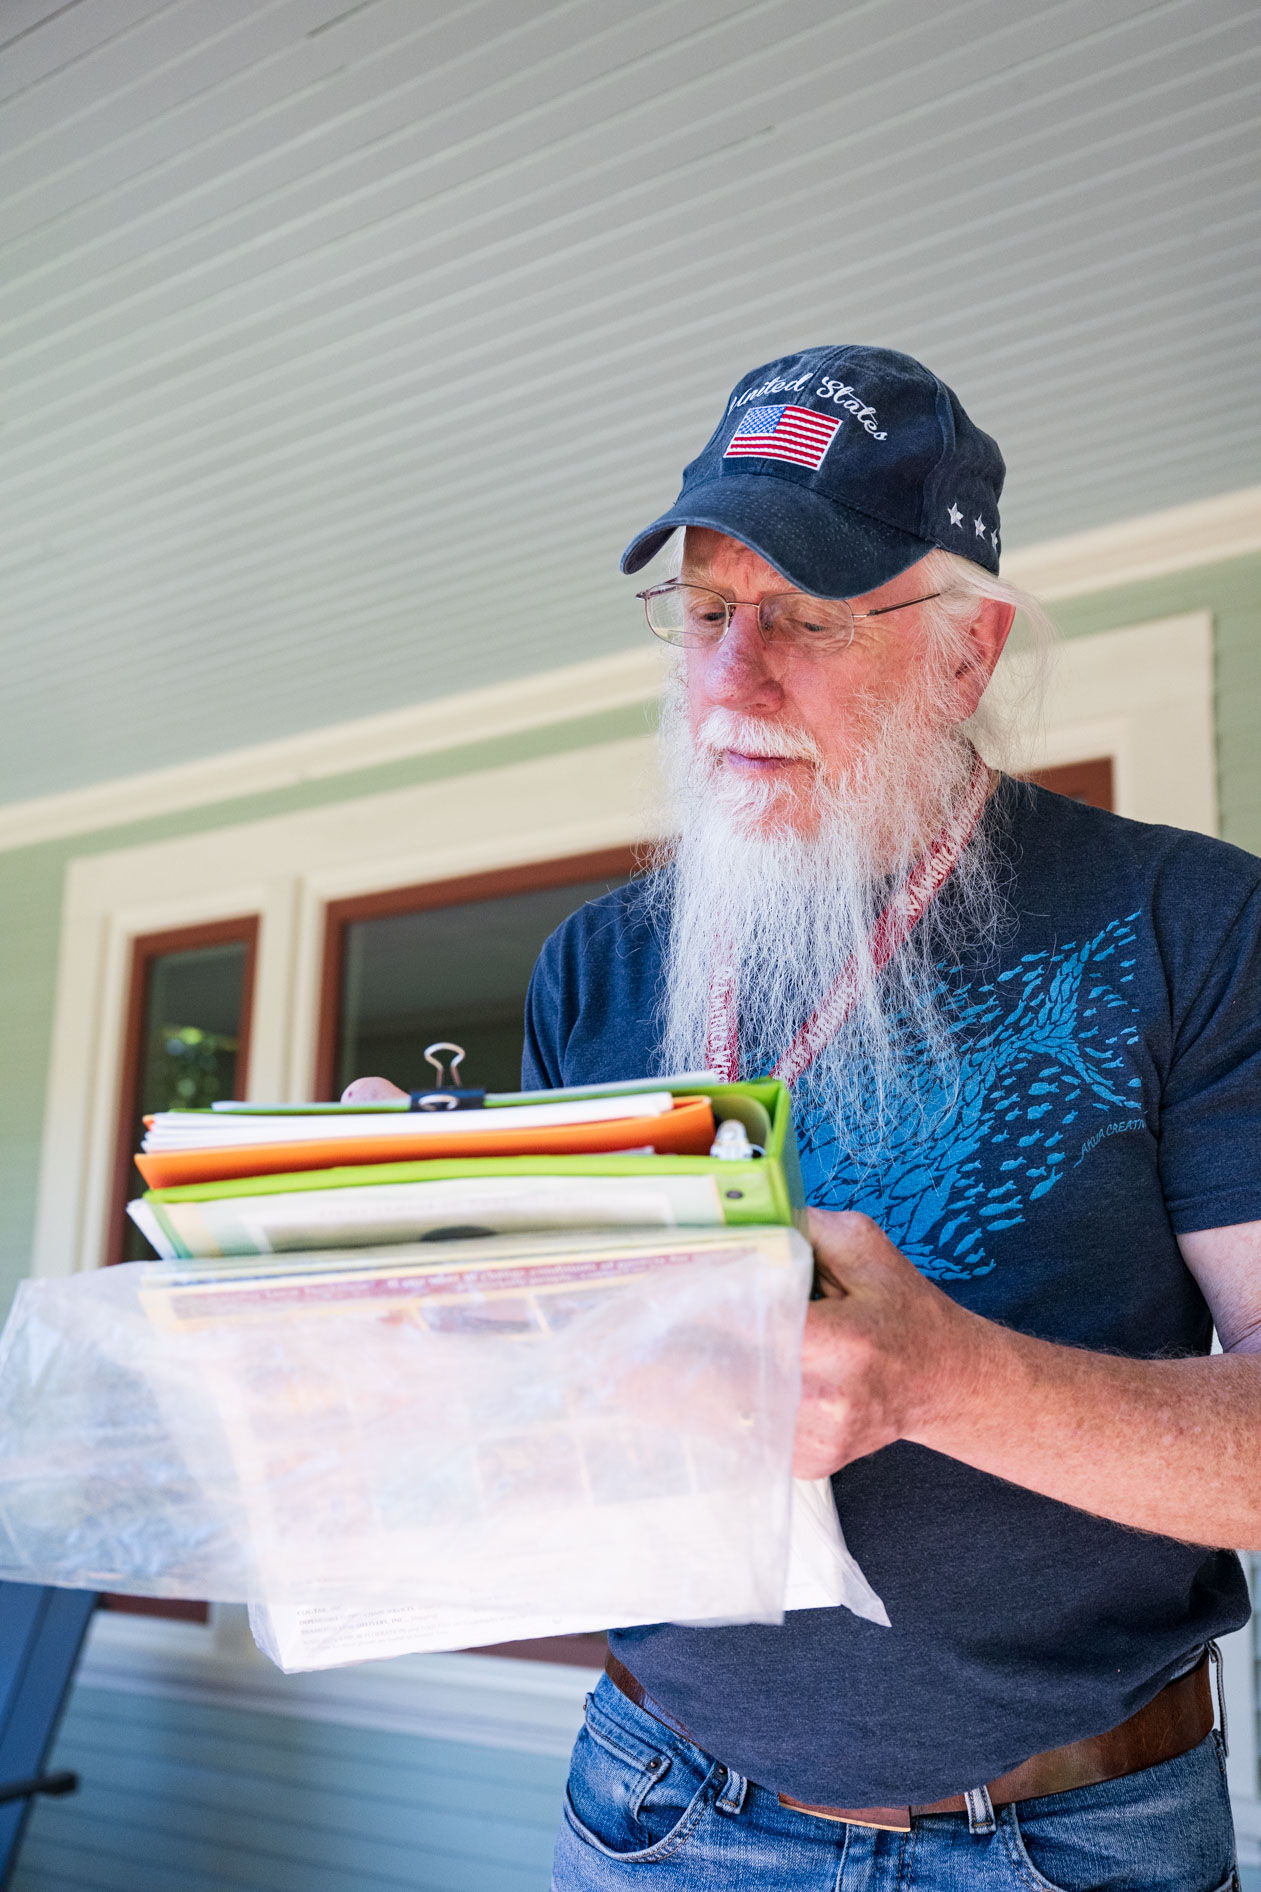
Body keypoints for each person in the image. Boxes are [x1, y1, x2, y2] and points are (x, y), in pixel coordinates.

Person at [349, 345, 1261, 1890]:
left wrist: (943, 1380)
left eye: (806, 619)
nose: (727, 680)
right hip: (651, 1806)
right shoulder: (603, 961)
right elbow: (551, 1433)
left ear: (966, 653)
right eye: (705, 613)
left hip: (1061, 1840)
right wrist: (393, 1273)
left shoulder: (1193, 920)